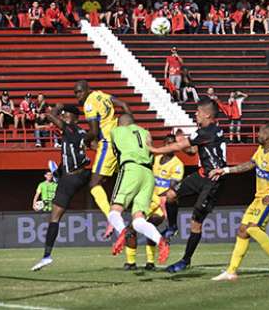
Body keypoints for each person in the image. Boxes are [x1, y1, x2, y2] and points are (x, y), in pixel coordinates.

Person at [149, 98, 227, 273]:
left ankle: (185, 260)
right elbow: (191, 150)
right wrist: (182, 142)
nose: (195, 114)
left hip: (214, 181)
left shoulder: (207, 132)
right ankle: (172, 227)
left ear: (207, 114)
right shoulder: (208, 131)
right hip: (201, 174)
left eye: (198, 111)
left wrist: (153, 149)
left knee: (195, 223)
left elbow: (178, 146)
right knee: (170, 195)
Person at [209, 122, 269, 281]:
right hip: (259, 197)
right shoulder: (262, 149)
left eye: (261, 132)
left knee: (253, 228)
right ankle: (231, 271)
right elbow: (251, 164)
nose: (258, 134)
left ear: (268, 136)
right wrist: (225, 170)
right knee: (243, 230)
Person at [31, 104, 91, 271]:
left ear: (74, 118)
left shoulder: (70, 129)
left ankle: (46, 256)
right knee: (98, 186)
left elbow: (49, 116)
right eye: (63, 114)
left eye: (67, 114)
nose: (63, 116)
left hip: (70, 179)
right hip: (82, 174)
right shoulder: (81, 132)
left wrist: (59, 107)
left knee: (54, 218)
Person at [106, 114, 171, 265]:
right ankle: (161, 240)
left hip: (131, 168)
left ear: (120, 124)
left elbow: (112, 151)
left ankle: (123, 232)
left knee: (114, 211)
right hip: (148, 173)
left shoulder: (116, 131)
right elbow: (150, 150)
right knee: (138, 221)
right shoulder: (145, 132)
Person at [121, 135, 184, 270]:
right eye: (167, 143)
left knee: (149, 226)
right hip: (147, 201)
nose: (169, 146)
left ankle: (150, 262)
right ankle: (131, 262)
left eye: (172, 144)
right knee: (131, 230)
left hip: (162, 205)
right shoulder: (155, 159)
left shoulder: (178, 165)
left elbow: (171, 189)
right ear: (163, 144)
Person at [73, 80, 131, 223]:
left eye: (80, 92)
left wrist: (83, 141)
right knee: (122, 178)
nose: (78, 96)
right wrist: (132, 129)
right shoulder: (101, 94)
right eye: (76, 93)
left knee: (94, 183)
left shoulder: (89, 104)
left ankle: (112, 218)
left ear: (87, 90)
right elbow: (124, 105)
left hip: (108, 143)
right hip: (119, 140)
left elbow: (93, 131)